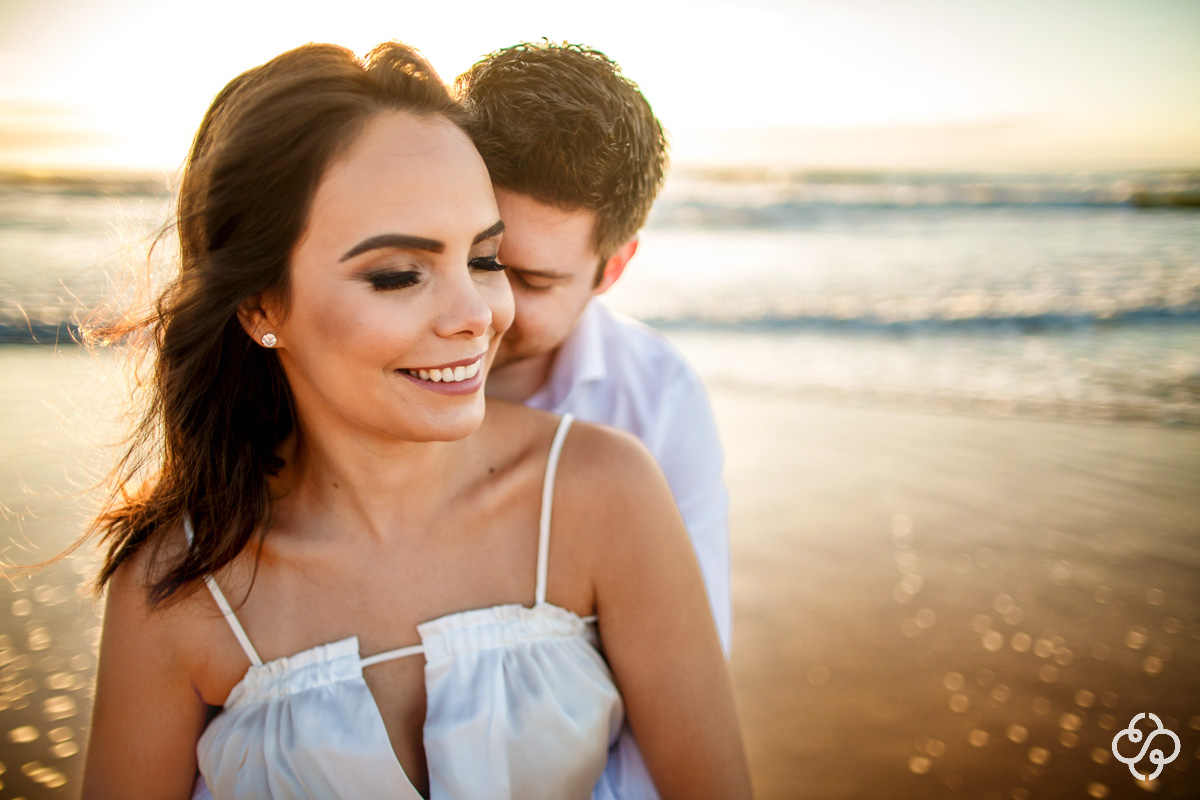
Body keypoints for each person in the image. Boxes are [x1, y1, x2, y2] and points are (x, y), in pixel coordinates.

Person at [79, 42, 751, 799]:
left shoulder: (613, 484)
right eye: (399, 275)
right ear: (260, 306)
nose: (478, 316)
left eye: (484, 259)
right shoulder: (176, 590)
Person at [457, 43, 733, 798]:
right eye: (481, 257)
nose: (483, 309)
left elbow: (681, 707)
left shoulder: (658, 403)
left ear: (612, 269)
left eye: (531, 279)